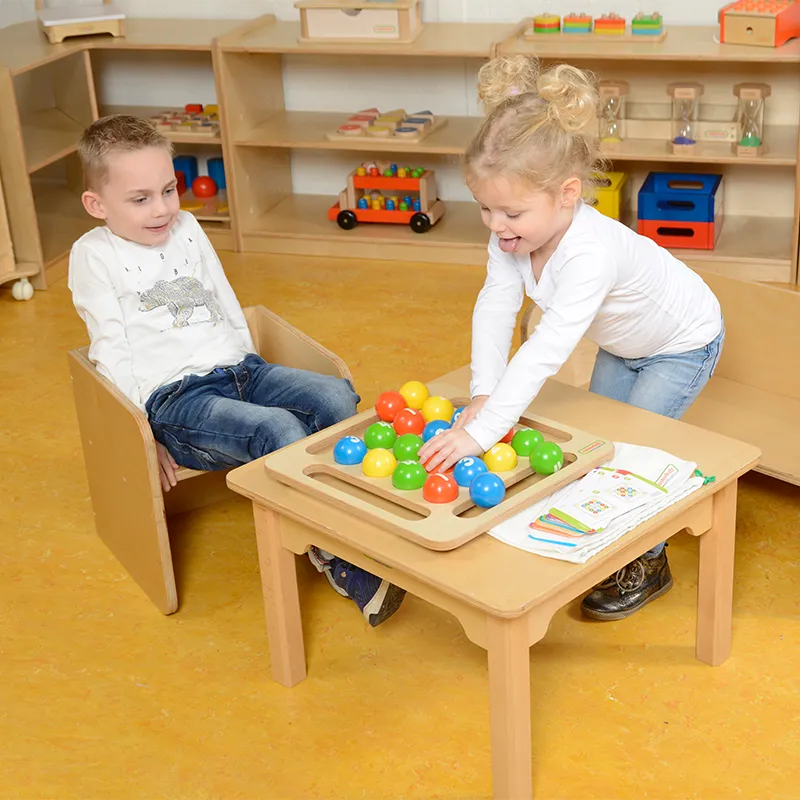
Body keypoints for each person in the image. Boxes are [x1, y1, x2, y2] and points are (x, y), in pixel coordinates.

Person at [418, 55, 724, 621]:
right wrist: (485, 394)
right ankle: (601, 530)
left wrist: (484, 432)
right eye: (484, 208)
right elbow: (496, 304)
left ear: (567, 194)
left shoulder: (589, 252)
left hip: (682, 343)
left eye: (510, 211)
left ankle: (647, 560)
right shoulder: (512, 233)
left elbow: (546, 349)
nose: (496, 225)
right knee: (597, 442)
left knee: (633, 451)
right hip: (624, 345)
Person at [68, 115, 405, 626]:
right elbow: (108, 347)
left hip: (240, 370)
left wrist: (254, 370)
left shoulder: (187, 226)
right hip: (175, 400)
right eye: (140, 199)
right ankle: (333, 552)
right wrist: (139, 434)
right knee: (279, 430)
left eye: (168, 190)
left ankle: (353, 518)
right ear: (97, 205)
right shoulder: (94, 255)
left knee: (337, 397)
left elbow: (224, 299)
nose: (161, 209)